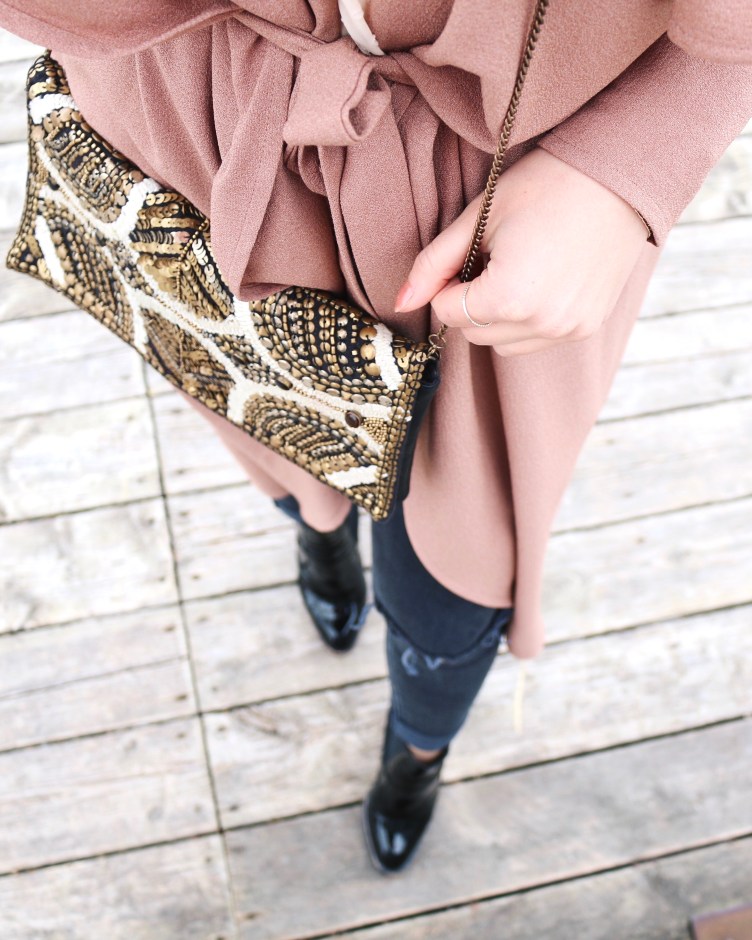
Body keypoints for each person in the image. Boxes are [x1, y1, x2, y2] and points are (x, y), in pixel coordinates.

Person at [2, 0, 752, 874]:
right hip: (183, 95)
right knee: (257, 411)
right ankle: (320, 537)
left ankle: (418, 748)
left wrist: (638, 152)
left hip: (511, 170)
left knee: (463, 559)